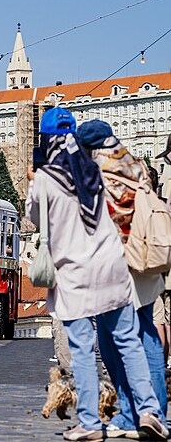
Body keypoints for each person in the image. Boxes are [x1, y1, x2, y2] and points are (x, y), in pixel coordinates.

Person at [26, 107, 167, 441]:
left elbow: (36, 217)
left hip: (74, 273)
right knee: (130, 341)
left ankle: (90, 423)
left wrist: (37, 177)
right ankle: (150, 411)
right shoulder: (100, 168)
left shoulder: (47, 177)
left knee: (83, 350)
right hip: (113, 268)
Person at [77, 119, 168, 436]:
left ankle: (132, 415)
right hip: (145, 262)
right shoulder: (137, 166)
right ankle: (154, 413)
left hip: (116, 266)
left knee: (114, 341)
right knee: (147, 337)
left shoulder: (97, 172)